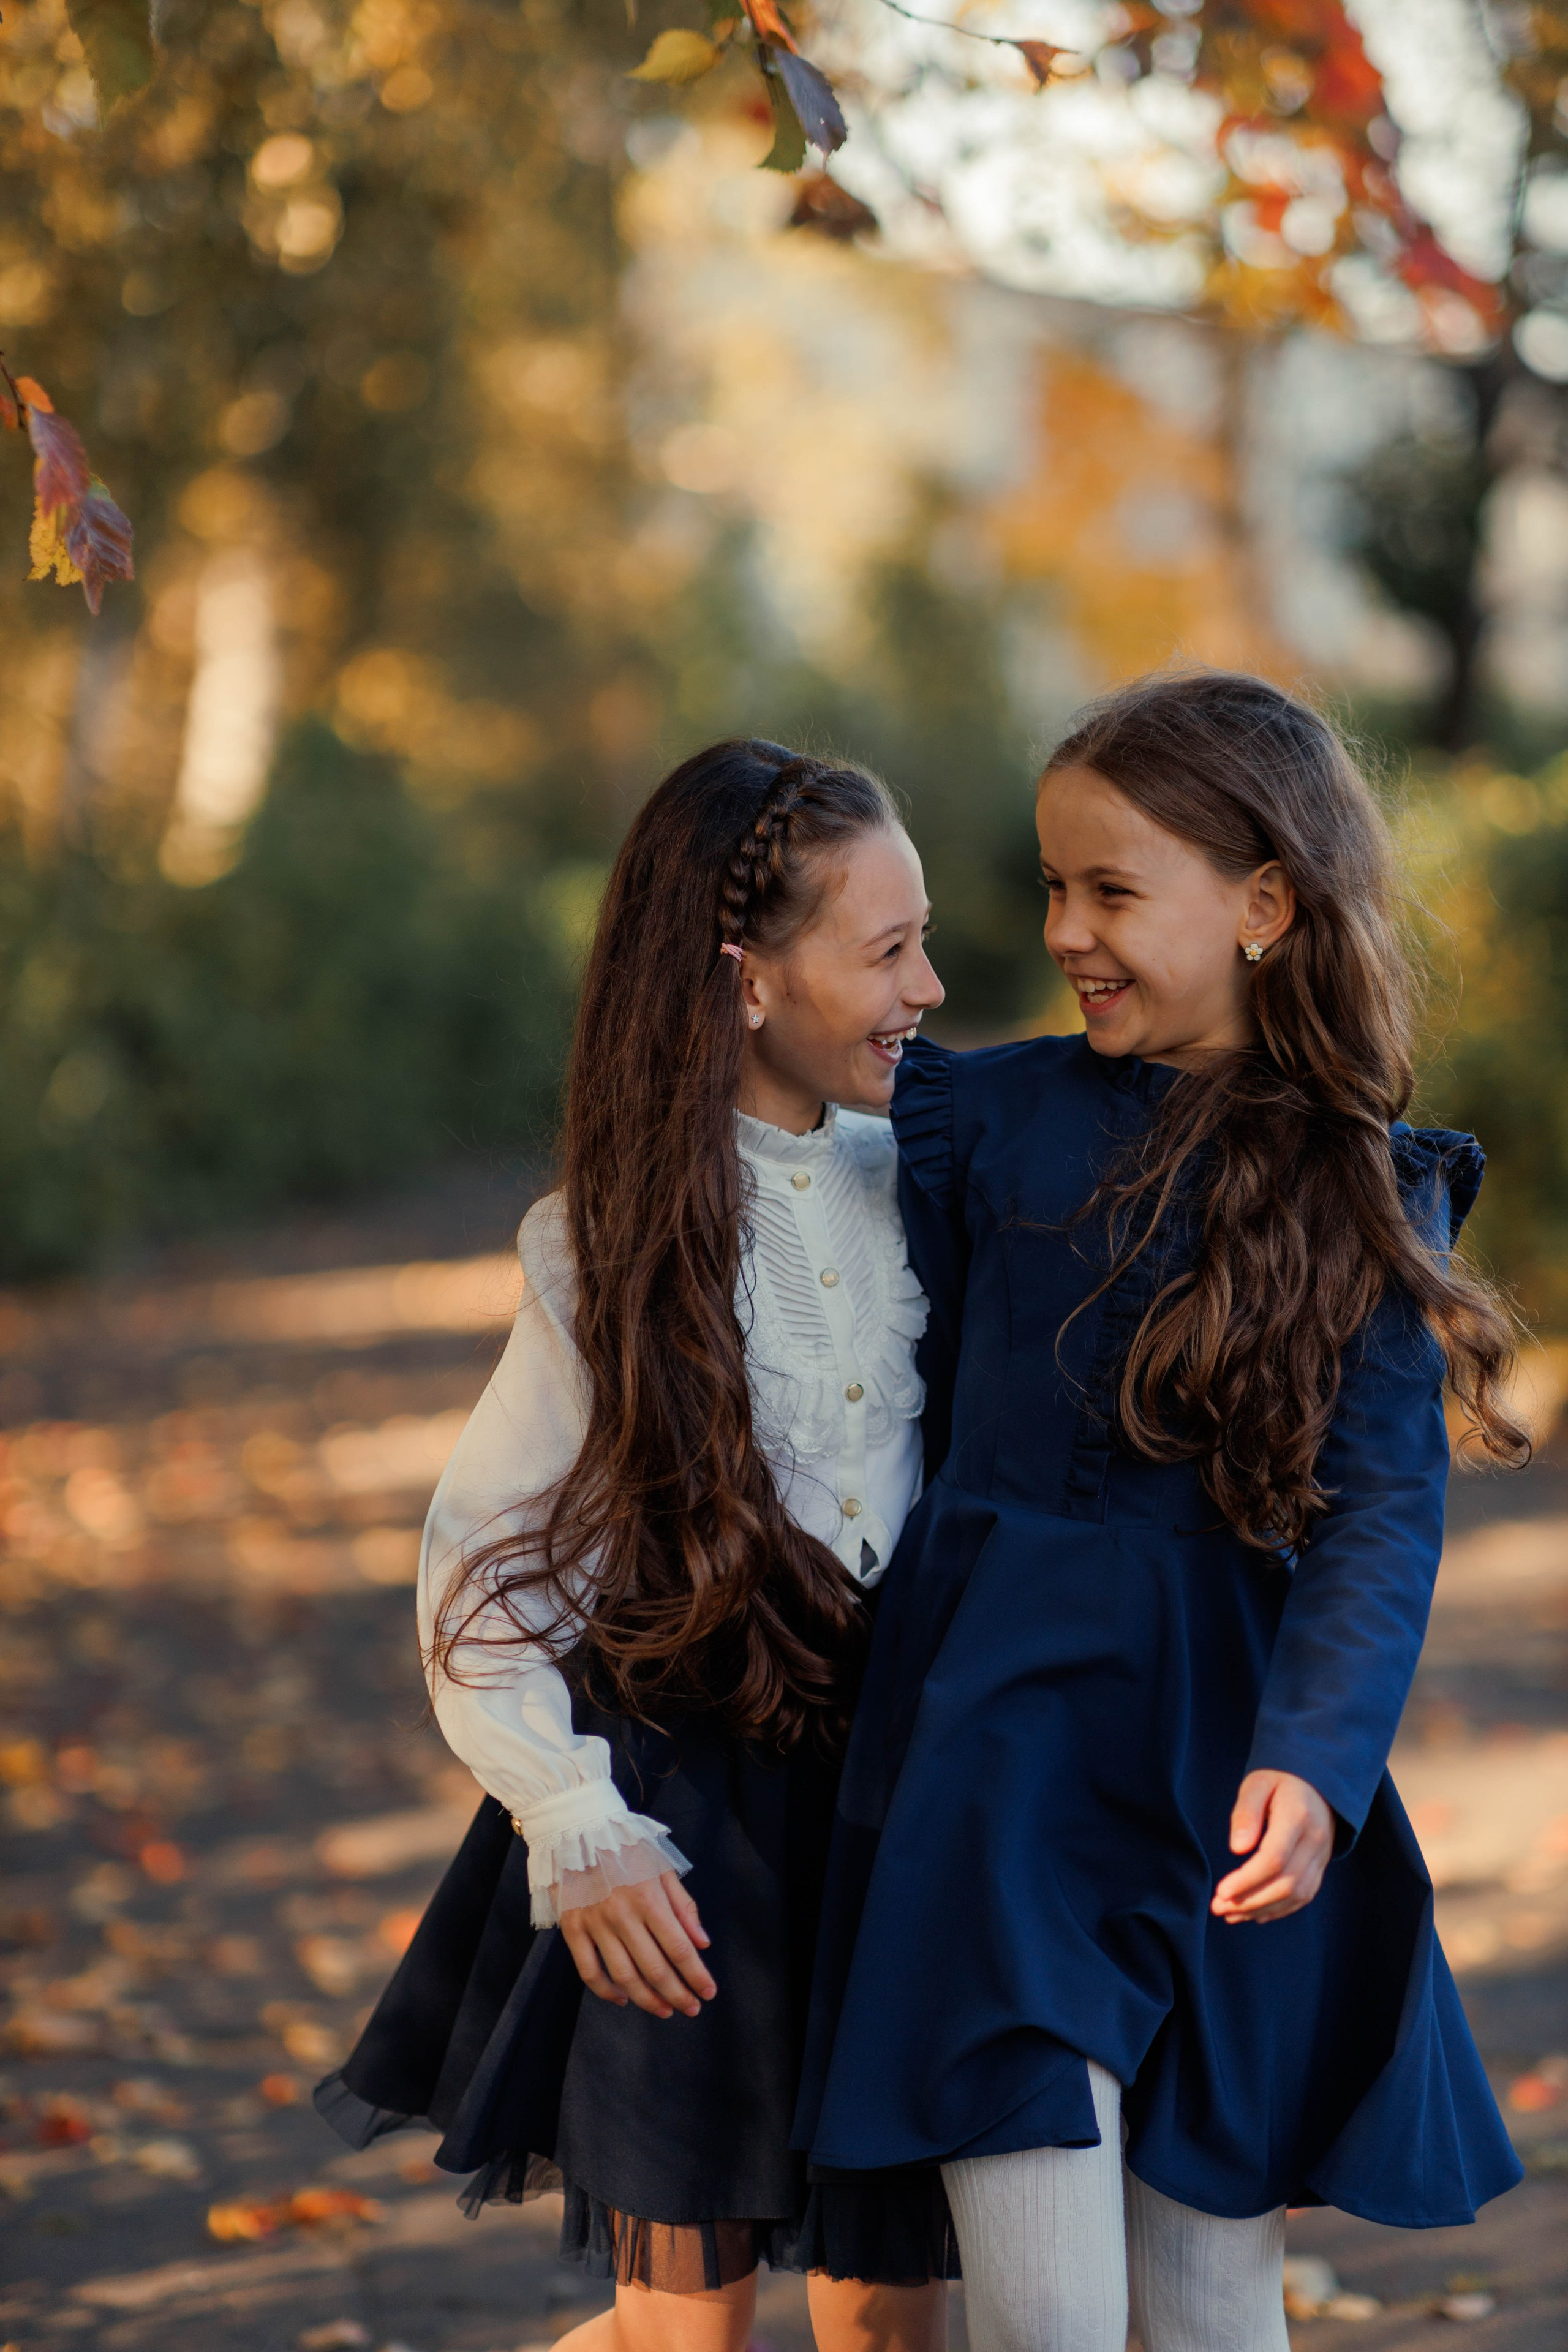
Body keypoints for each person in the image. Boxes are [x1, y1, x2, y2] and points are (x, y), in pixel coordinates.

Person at [794, 672, 1529, 2352]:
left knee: (1205, 2299)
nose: (1064, 930)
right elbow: (842, 1330)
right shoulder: (978, 1121)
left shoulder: (1362, 1180)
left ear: (1265, 903)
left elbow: (1378, 1517)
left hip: (1231, 1788)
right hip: (993, 1765)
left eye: (1112, 890)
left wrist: (1319, 1764)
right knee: (1045, 2314)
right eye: (1054, 886)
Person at [316, 739, 955, 2352]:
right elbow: (484, 1576)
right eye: (888, 951)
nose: (933, 986)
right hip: (690, 1830)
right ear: (746, 977)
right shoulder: (606, 1247)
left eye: (926, 938)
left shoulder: (943, 1183)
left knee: (894, 2324)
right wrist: (574, 1821)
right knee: (693, 2328)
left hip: (904, 1818)